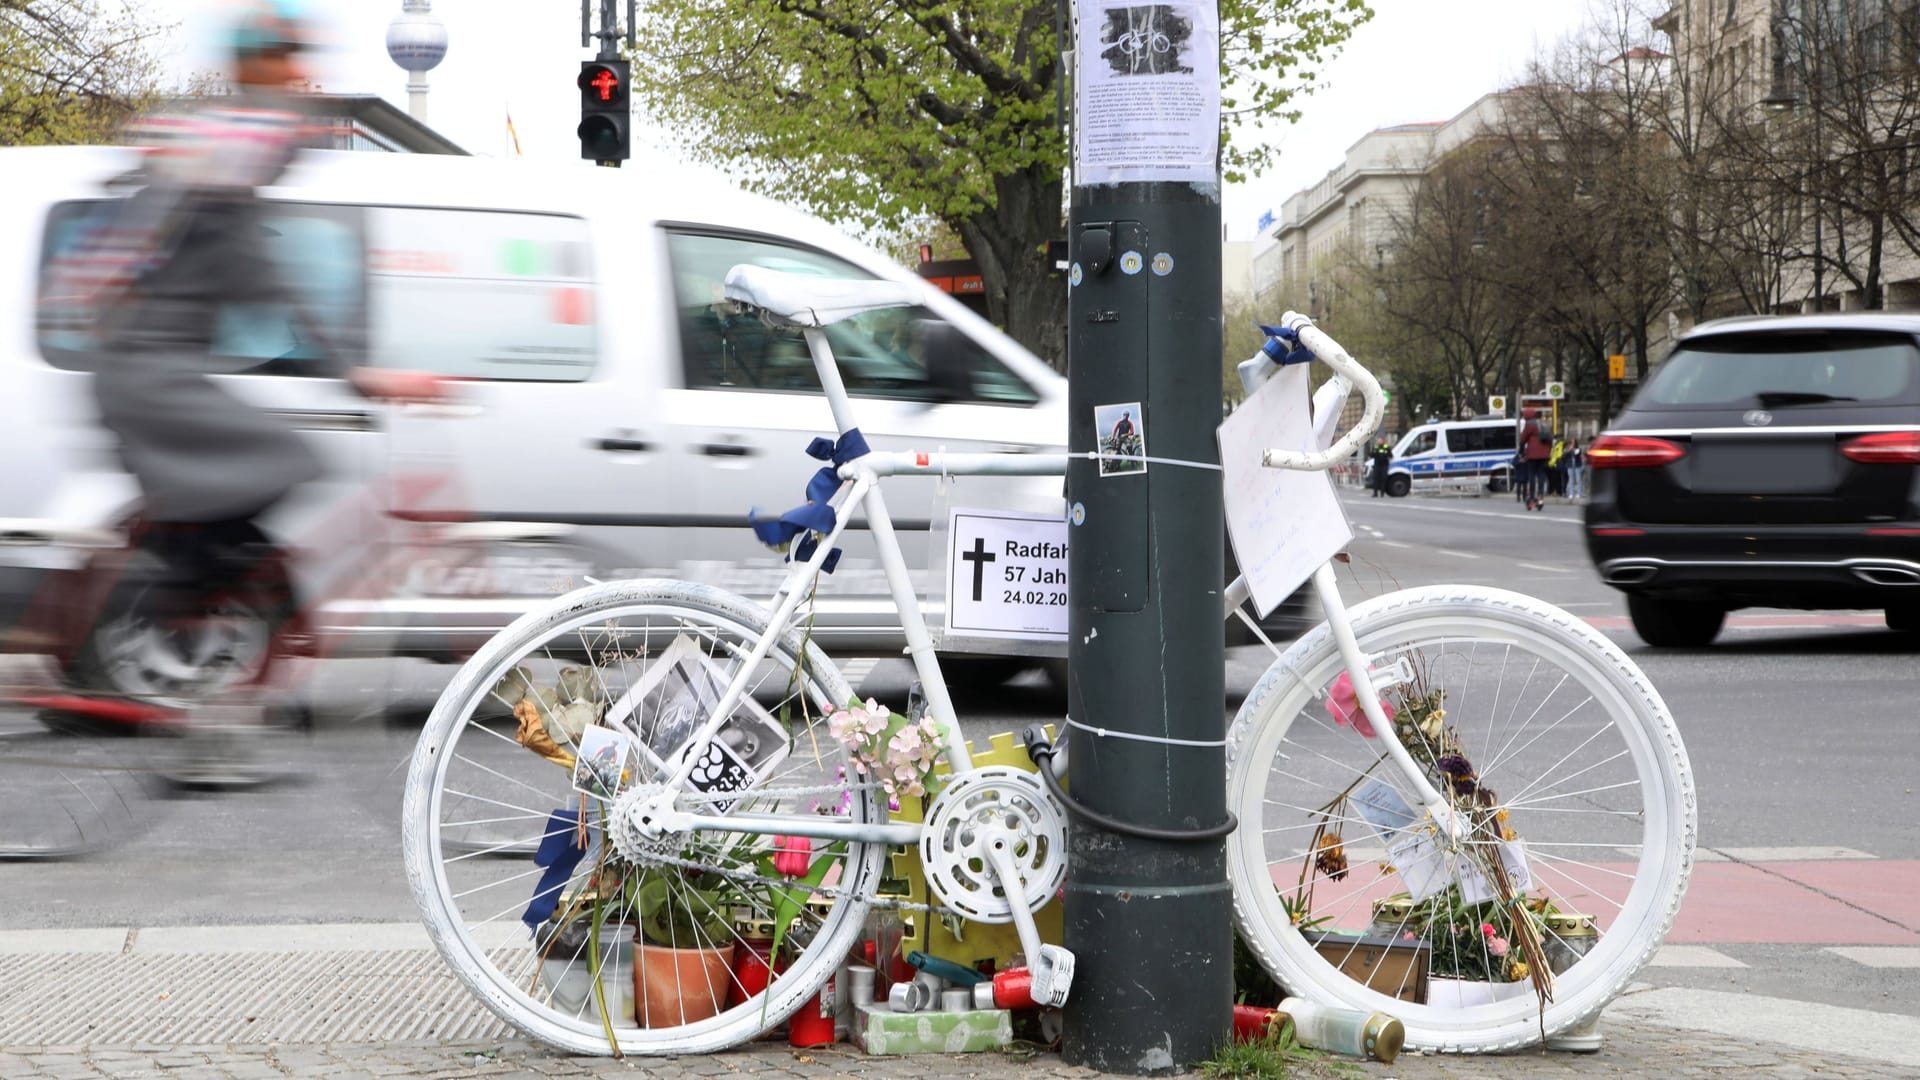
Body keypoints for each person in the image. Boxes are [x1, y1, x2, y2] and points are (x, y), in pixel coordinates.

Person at [68, 1, 442, 704]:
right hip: (149, 376)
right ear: (257, 63)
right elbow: (271, 286)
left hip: (143, 371)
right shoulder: (223, 159)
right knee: (287, 460)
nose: (303, 75)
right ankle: (170, 606)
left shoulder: (211, 150)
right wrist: (357, 374)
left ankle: (181, 592)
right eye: (290, 57)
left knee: (241, 487)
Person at [1517, 408, 1553, 511]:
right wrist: (1548, 451)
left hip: (1532, 454)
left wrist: (1521, 452)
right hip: (1544, 454)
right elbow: (1550, 439)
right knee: (1541, 474)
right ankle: (1540, 495)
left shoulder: (1529, 425)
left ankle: (1532, 497)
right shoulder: (1544, 424)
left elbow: (1523, 439)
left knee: (1531, 475)